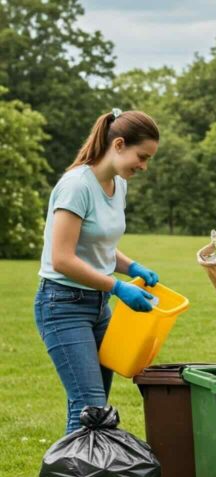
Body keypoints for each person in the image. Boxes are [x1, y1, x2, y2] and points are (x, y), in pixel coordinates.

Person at [35, 109, 161, 434]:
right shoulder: (76, 186)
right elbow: (61, 258)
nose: (144, 166)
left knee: (92, 407)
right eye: (141, 156)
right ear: (118, 144)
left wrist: (131, 266)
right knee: (90, 407)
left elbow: (97, 244)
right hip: (62, 305)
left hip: (97, 307)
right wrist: (118, 287)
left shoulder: (118, 185)